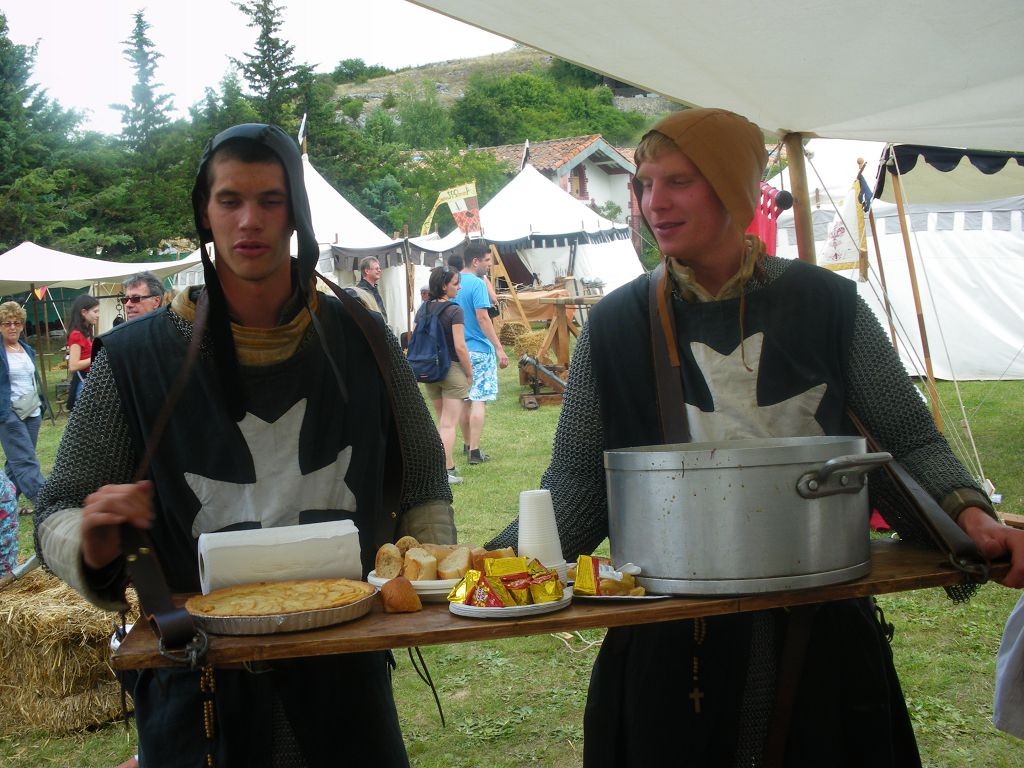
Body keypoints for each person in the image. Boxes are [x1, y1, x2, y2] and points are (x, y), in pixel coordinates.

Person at [487, 108, 1024, 767]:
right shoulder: (617, 325)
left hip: (820, 621)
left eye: (679, 181)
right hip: (672, 639)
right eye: (645, 184)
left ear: (732, 187)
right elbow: (578, 479)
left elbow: (908, 440)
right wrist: (495, 568)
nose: (655, 203)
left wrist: (971, 516)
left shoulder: (827, 306)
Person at [34, 123, 455, 767]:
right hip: (197, 684)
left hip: (345, 680)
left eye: (270, 200)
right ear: (206, 213)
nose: (249, 220)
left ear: (295, 214)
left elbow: (422, 481)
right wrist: (88, 542)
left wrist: (425, 574)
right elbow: (58, 507)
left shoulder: (364, 341)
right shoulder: (136, 360)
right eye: (230, 200)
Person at [412, 265, 473, 485]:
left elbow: (414, 336)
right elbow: (460, 347)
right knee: (448, 424)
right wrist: (469, 372)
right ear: (444, 286)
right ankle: (444, 472)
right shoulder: (455, 311)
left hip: (429, 370)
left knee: (442, 422)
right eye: (456, 283)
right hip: (451, 370)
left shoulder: (423, 308)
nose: (459, 287)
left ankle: (447, 466)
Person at [451, 245, 508, 465]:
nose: (489, 265)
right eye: (487, 260)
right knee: (478, 400)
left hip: (458, 349)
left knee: (465, 400)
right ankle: (474, 451)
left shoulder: (453, 283)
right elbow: (483, 318)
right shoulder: (477, 284)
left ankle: (467, 444)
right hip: (479, 350)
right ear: (475, 261)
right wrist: (499, 347)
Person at [0, 301, 47, 507]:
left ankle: (5, 506)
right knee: (25, 461)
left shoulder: (26, 349)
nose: (12, 327)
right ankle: (46, 503)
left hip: (32, 411)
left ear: (22, 325)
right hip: (9, 413)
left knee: (16, 463)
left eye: (16, 323)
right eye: (7, 323)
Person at [65, 294, 100, 409]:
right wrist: (97, 357)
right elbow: (73, 366)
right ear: (84, 312)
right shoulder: (76, 334)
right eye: (95, 311)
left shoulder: (86, 332)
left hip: (89, 380)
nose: (98, 315)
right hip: (83, 383)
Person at [357, 255, 388, 322]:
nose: (379, 270)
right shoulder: (361, 291)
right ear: (367, 271)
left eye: (379, 268)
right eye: (376, 269)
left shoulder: (374, 288)